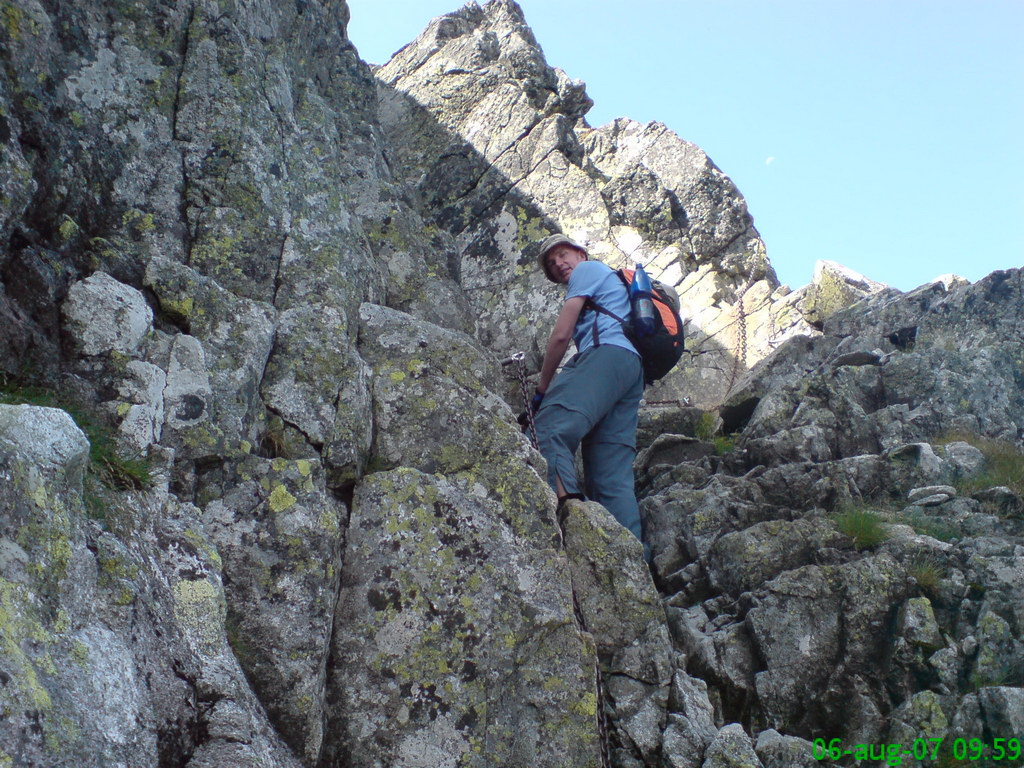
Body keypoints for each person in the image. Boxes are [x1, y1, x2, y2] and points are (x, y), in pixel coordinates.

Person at [529, 234, 647, 555]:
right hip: (630, 370)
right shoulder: (611, 283)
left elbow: (561, 336)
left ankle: (572, 519)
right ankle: (633, 562)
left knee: (548, 428)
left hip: (606, 356)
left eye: (563, 255)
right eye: (553, 265)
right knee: (609, 477)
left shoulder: (588, 270)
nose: (559, 264)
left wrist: (541, 391)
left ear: (580, 253)